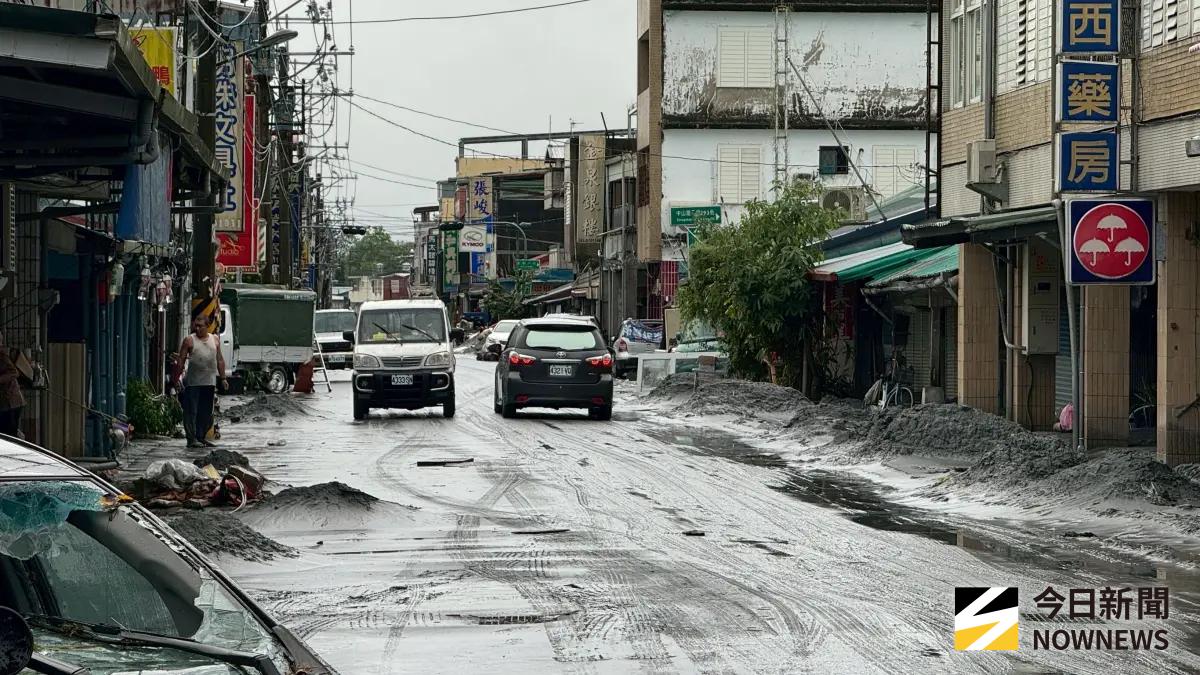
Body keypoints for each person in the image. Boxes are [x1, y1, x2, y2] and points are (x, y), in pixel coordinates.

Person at [174, 315, 227, 448]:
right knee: (191, 411)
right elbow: (180, 360)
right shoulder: (189, 340)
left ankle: (201, 437)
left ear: (207, 326)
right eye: (195, 326)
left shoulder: (214, 339)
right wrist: (176, 378)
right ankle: (191, 439)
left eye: (200, 326)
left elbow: (220, 359)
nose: (197, 328)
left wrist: (223, 378)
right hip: (193, 382)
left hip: (209, 382)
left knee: (206, 412)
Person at [0, 331, 25, 437]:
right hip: (7, 401)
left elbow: (14, 372)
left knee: (9, 434)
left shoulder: (1, 355)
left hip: (10, 401)